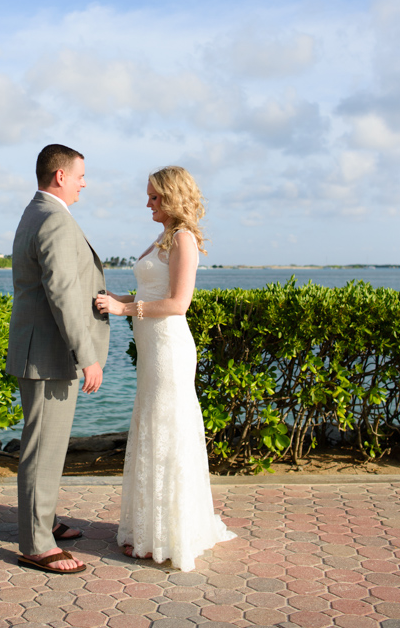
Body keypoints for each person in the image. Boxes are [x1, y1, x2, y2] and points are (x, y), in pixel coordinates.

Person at [96, 166, 235, 572]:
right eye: (149, 196)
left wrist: (124, 308)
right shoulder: (162, 238)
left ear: (173, 198)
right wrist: (111, 298)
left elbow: (177, 303)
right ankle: (150, 528)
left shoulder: (184, 240)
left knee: (167, 429)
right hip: (152, 347)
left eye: (155, 197)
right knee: (152, 426)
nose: (148, 203)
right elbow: (147, 292)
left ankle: (170, 533)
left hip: (170, 348)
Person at [6, 144, 110, 574]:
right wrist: (86, 355)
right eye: (81, 175)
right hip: (51, 356)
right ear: (60, 176)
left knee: (47, 446)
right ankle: (36, 542)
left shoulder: (37, 212)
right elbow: (64, 293)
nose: (85, 182)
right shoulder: (53, 220)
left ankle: (43, 519)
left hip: (43, 352)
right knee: (43, 448)